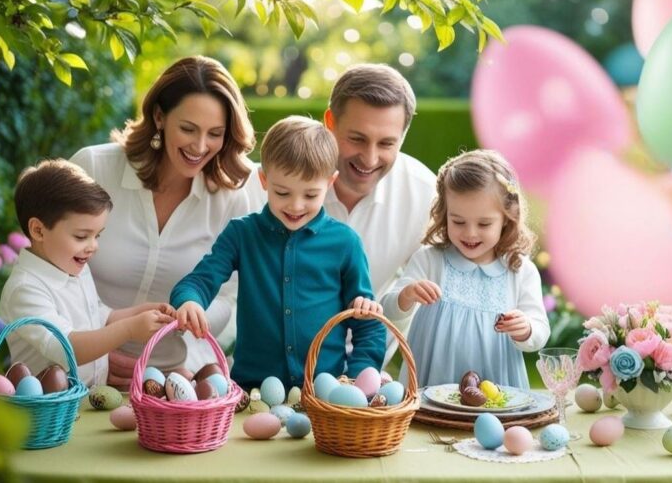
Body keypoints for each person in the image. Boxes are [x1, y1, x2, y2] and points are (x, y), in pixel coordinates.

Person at [71, 56, 255, 385]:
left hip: (170, 378)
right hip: (77, 365)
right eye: (188, 129)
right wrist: (98, 351)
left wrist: (192, 318)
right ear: (159, 116)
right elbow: (51, 272)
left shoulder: (229, 199)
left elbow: (227, 296)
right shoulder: (94, 168)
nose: (200, 146)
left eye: (215, 133)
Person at [171, 116, 386, 390]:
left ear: (331, 182)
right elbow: (198, 281)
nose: (295, 206)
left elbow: (368, 323)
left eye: (310, 195)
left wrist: (356, 382)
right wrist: (190, 301)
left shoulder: (345, 243)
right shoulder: (242, 234)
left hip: (324, 395)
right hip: (252, 391)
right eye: (282, 192)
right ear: (263, 180)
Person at [245, 64, 437, 367]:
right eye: (357, 139)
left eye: (387, 143)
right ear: (330, 121)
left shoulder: (425, 195)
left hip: (367, 371)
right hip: (277, 368)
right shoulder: (276, 187)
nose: (370, 158)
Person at [381, 149, 550, 389]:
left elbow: (540, 332)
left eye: (484, 223)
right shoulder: (430, 260)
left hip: (498, 386)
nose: (470, 233)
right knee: (434, 426)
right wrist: (407, 295)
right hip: (434, 382)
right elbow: (389, 311)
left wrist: (526, 329)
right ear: (444, 214)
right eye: (458, 221)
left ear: (506, 218)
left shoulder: (520, 270)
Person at [0, 159, 175, 386]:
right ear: (38, 230)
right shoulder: (25, 289)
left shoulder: (74, 268)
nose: (93, 246)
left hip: (89, 398)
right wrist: (130, 329)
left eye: (97, 235)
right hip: (48, 413)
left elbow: (99, 316)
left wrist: (140, 312)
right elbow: (66, 348)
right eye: (82, 236)